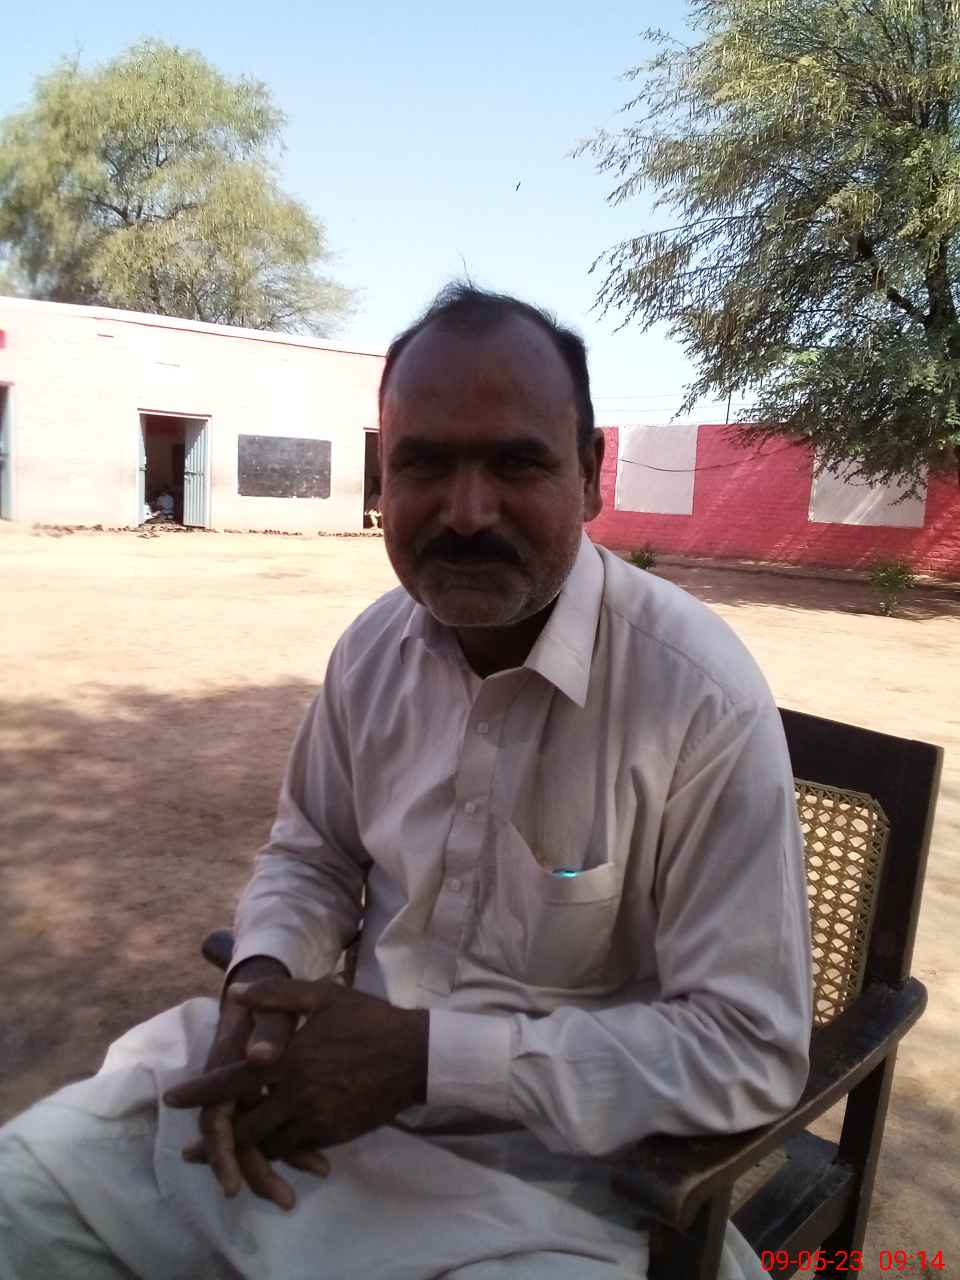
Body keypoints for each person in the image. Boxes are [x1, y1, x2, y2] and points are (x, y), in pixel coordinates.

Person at [0, 283, 812, 1279]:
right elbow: (312, 854)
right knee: (25, 1198)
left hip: (563, 1183)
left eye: (516, 462)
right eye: (425, 462)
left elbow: (747, 1046)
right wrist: (261, 978)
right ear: (387, 472)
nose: (466, 512)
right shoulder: (372, 651)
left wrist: (424, 1060)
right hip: (316, 1105)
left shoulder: (698, 698)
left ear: (590, 474)